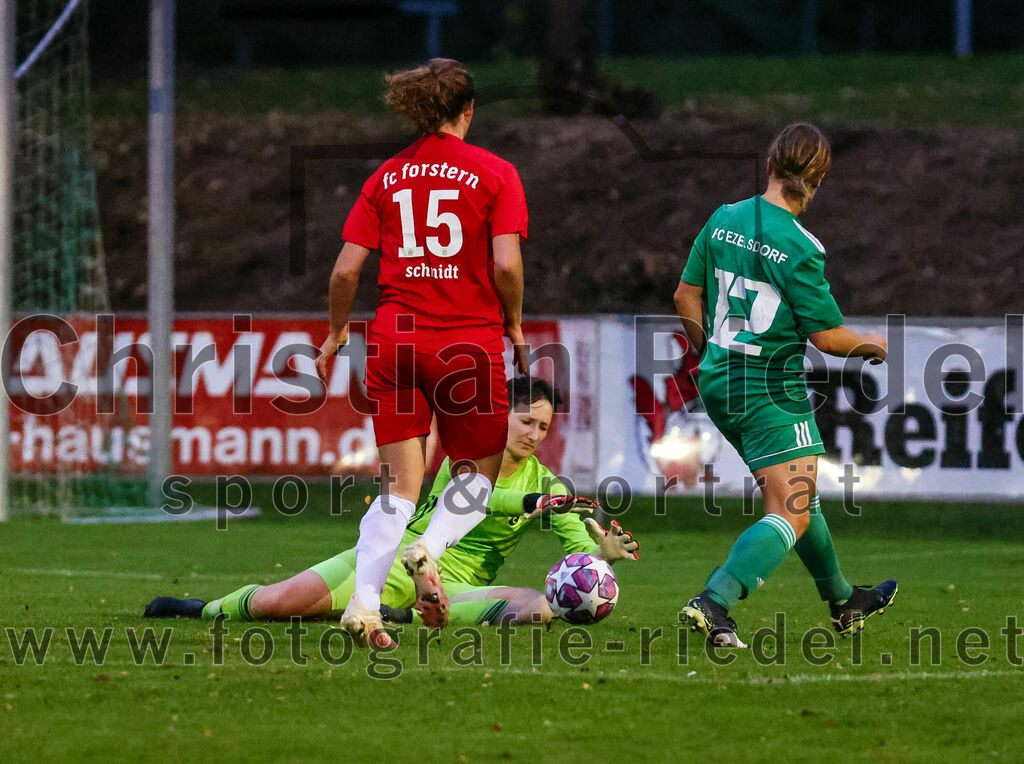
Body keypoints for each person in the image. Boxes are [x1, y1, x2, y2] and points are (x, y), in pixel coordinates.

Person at [313, 59, 531, 647]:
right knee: (476, 481)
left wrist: (336, 332)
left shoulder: (386, 176)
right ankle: (428, 550)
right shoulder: (497, 173)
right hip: (465, 343)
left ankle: (364, 606)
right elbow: (506, 263)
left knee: (397, 492)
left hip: (394, 342)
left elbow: (344, 271)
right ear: (469, 110)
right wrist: (513, 324)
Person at [144, 378, 640, 629]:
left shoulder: (550, 484)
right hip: (399, 560)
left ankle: (404, 616)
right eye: (525, 421)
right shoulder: (468, 457)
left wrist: (601, 557)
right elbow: (483, 498)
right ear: (501, 416)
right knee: (277, 605)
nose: (533, 434)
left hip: (459, 588)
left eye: (543, 427)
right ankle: (201, 609)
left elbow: (575, 552)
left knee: (540, 609)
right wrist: (532, 501)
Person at [673, 123, 897, 648]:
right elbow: (827, 338)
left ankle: (844, 599)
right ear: (817, 182)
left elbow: (685, 296)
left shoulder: (724, 218)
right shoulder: (802, 247)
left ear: (771, 164)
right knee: (790, 511)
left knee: (798, 495)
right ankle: (715, 599)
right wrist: (872, 344)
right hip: (769, 391)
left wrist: (709, 353)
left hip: (719, 382)